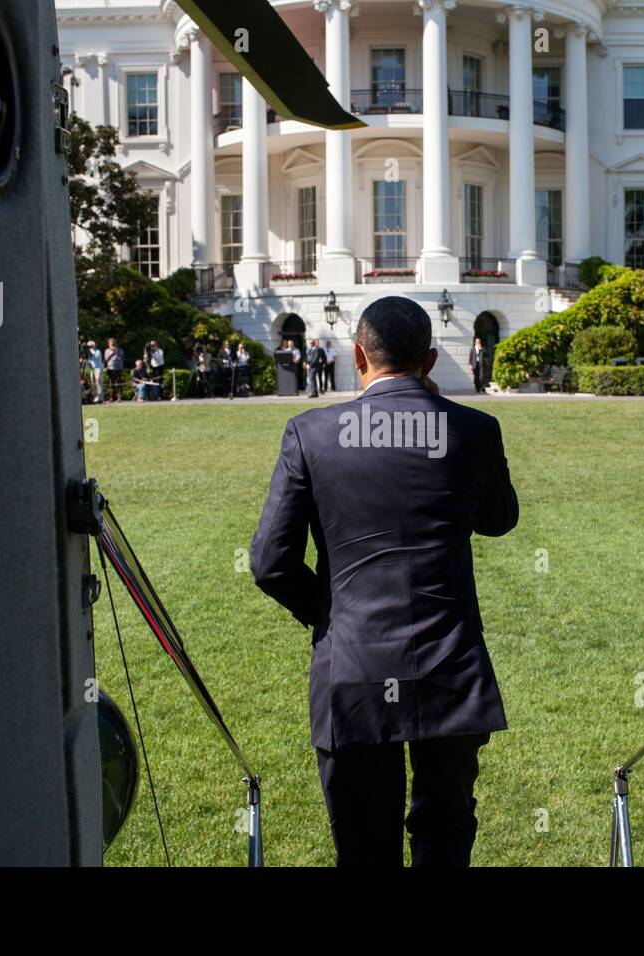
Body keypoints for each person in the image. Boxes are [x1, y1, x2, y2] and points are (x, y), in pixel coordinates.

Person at [250, 295, 519, 867]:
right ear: (429, 360)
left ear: (357, 356)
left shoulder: (311, 433)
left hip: (352, 661)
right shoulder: (472, 429)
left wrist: (327, 611)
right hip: (448, 662)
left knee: (365, 849)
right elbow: (498, 520)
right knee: (445, 835)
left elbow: (270, 563)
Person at [104, 338, 124, 402]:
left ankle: (119, 397)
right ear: (109, 344)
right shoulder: (107, 351)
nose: (113, 344)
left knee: (119, 383)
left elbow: (122, 355)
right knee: (111, 384)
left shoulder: (119, 350)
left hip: (119, 368)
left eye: (114, 343)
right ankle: (112, 397)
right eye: (111, 343)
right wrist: (112, 352)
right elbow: (106, 359)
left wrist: (116, 350)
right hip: (111, 369)